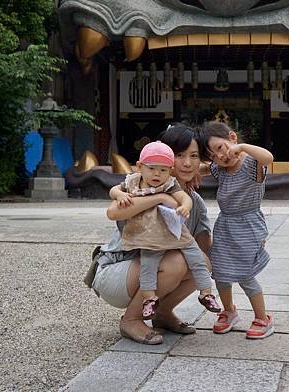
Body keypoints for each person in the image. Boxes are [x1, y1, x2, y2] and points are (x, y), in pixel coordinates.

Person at [89, 123, 212, 345]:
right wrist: (160, 199)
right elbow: (113, 212)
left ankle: (162, 313)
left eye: (194, 156)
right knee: (175, 262)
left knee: (202, 262)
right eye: (179, 154)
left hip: (148, 273)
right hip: (117, 271)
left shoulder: (194, 202)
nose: (187, 162)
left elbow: (204, 248)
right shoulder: (140, 188)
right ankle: (131, 319)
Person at [109, 140, 220, 319]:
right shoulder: (133, 183)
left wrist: (185, 206)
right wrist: (122, 195)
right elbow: (113, 202)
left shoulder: (169, 183)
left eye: (162, 170)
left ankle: (206, 293)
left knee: (199, 260)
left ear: (169, 170)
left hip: (178, 237)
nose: (157, 174)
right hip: (146, 241)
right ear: (139, 167)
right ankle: (144, 305)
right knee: (149, 267)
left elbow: (184, 198)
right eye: (152, 168)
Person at [197, 120, 275, 340]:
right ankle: (229, 310)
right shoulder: (219, 169)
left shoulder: (251, 164)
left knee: (245, 275)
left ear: (232, 137)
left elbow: (268, 158)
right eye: (213, 155)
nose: (220, 157)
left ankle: (263, 318)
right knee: (220, 273)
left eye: (221, 148)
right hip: (225, 226)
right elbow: (202, 168)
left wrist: (242, 147)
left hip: (249, 226)